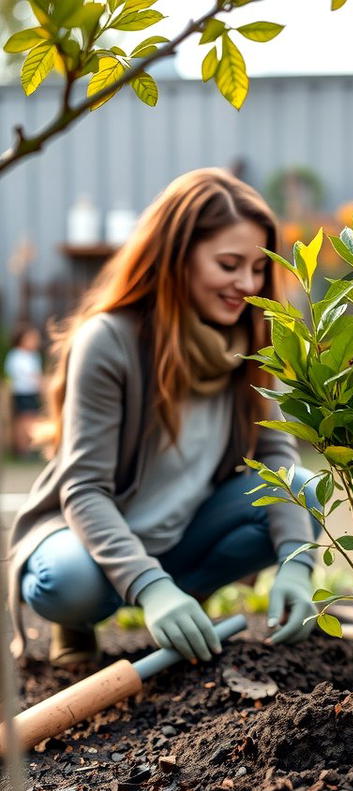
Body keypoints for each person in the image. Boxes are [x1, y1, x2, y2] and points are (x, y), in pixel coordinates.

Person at [7, 169, 318, 666]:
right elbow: (84, 489)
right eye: (229, 264)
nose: (247, 284)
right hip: (92, 536)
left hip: (183, 527)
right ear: (177, 259)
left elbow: (276, 457)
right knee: (66, 585)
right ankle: (82, 620)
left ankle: (183, 602)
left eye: (258, 269)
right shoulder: (109, 341)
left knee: (301, 490)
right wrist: (151, 587)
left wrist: (297, 563)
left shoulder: (253, 339)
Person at [3, 323, 43, 459]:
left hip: (32, 392)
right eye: (31, 338)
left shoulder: (33, 356)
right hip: (22, 392)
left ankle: (31, 447)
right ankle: (23, 450)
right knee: (24, 421)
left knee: (32, 419)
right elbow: (19, 375)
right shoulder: (16, 356)